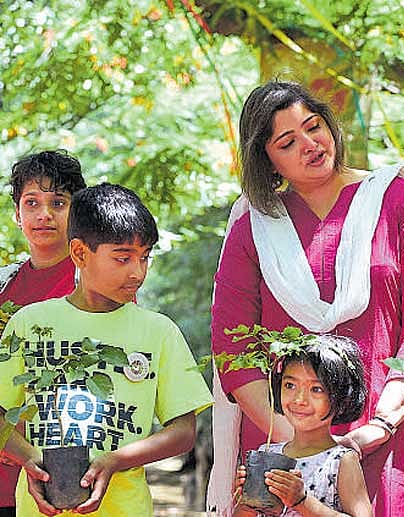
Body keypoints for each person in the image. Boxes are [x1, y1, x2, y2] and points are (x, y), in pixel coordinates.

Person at [208, 81, 404, 517]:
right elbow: (233, 349)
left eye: (313, 126)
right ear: (267, 159)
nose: (309, 144)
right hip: (281, 448)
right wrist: (299, 442)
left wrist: (380, 425)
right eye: (287, 142)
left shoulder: (396, 198)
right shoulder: (255, 225)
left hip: (384, 436)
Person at [0, 183, 213, 516]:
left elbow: (183, 432)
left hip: (124, 509)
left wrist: (117, 460)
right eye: (123, 258)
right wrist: (31, 459)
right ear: (81, 253)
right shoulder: (29, 324)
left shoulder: (159, 332)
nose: (137, 272)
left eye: (145, 258)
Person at [0, 150, 87, 517]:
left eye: (58, 202)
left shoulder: (92, 287)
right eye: (31, 202)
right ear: (18, 215)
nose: (44, 214)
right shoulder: (4, 285)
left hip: (57, 475)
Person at [233, 336, 372, 517]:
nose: (299, 399)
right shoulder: (267, 454)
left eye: (316, 389)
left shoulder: (341, 461)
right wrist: (246, 506)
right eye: (290, 385)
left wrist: (301, 501)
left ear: (341, 396)